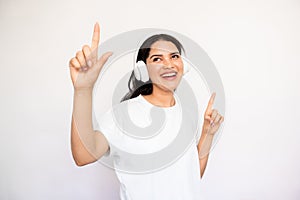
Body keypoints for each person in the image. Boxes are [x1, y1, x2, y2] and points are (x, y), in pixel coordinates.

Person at [69, 22, 224, 200]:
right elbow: (83, 156)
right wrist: (83, 91)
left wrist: (207, 133)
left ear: (183, 65)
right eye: (157, 59)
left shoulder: (188, 115)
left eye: (174, 56)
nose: (169, 64)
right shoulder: (123, 114)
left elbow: (191, 177)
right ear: (143, 69)